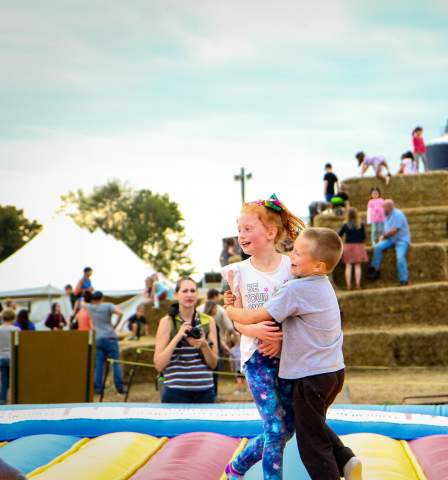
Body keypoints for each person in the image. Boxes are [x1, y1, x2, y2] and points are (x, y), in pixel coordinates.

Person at [225, 227, 363, 480]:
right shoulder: (324, 285)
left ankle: (333, 471)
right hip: (333, 373)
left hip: (311, 377)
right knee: (308, 421)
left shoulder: (295, 290)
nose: (292, 257)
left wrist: (231, 310)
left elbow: (257, 315)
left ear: (319, 266)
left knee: (312, 446)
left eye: (299, 253)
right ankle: (345, 459)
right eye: (292, 250)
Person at [221, 193, 305, 480]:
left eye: (247, 229)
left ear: (270, 233)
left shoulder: (290, 269)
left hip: (287, 357)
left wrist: (281, 338)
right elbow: (235, 315)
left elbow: (300, 312)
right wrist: (254, 330)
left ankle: (239, 465)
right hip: (256, 359)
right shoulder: (237, 273)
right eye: (239, 229)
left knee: (288, 427)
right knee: (273, 427)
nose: (240, 235)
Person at [153, 277, 219, 403]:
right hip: (176, 392)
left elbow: (214, 364)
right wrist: (177, 337)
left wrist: (204, 346)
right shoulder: (167, 322)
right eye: (185, 291)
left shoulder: (208, 321)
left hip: (205, 391)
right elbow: (159, 365)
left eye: (193, 291)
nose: (189, 295)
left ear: (197, 294)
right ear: (176, 295)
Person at [86, 291, 125, 395]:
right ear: (102, 298)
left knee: (99, 365)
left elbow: (80, 303)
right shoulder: (108, 305)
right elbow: (120, 313)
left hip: (98, 338)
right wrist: (115, 326)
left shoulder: (89, 307)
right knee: (115, 363)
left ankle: (98, 388)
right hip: (110, 337)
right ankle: (120, 388)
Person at [368, 199, 411, 286]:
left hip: (401, 240)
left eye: (384, 207)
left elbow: (395, 230)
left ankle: (404, 280)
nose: (382, 209)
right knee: (377, 247)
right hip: (391, 239)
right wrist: (382, 238)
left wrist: (383, 236)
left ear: (389, 207)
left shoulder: (398, 214)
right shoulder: (386, 215)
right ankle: (375, 269)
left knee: (400, 258)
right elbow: (387, 229)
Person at [338, 207, 368, 290]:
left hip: (348, 246)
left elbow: (338, 235)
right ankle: (358, 285)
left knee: (348, 266)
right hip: (358, 246)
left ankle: (349, 285)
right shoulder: (360, 224)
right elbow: (363, 236)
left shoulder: (345, 225)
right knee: (358, 266)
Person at [1, 309, 20, 404]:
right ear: (13, 317)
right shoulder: (15, 329)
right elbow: (18, 343)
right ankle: (15, 400)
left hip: (1, 357)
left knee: (4, 379)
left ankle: (2, 399)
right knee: (15, 380)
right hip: (12, 357)